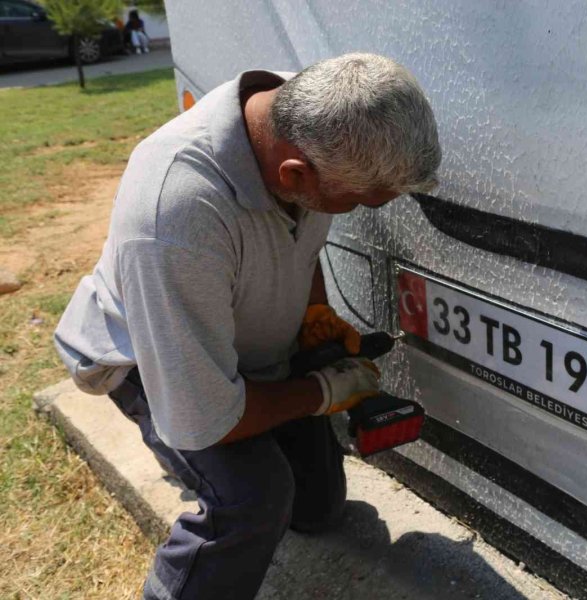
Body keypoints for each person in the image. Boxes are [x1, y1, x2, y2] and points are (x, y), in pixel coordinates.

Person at [53, 53, 441, 600]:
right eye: (355, 202)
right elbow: (206, 419)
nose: (354, 210)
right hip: (150, 355)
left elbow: (300, 239)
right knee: (253, 501)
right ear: (295, 175)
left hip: (235, 333)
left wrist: (313, 316)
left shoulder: (304, 112)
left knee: (318, 508)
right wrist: (324, 389)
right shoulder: (174, 217)